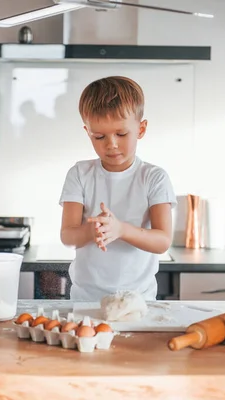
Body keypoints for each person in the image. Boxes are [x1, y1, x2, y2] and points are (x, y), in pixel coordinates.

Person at [59, 76, 177, 301]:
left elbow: (162, 241)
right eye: (99, 136)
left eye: (121, 134)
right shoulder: (79, 174)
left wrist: (120, 230)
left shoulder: (154, 178)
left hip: (138, 300)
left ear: (141, 129)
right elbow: (67, 236)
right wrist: (92, 231)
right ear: (88, 132)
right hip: (85, 300)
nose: (111, 144)